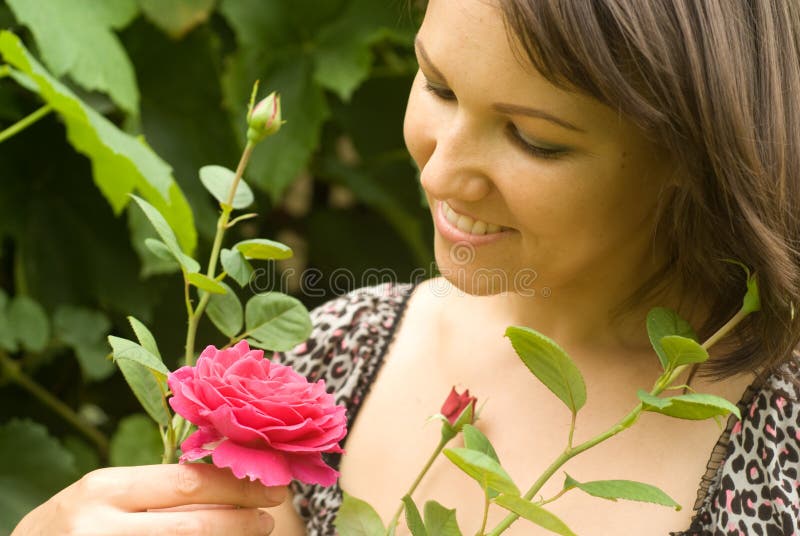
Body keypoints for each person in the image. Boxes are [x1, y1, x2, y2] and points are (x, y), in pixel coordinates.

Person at [13, 0, 800, 534]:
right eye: (438, 85)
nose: (438, 172)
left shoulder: (779, 448)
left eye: (535, 139)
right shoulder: (327, 359)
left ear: (701, 156)